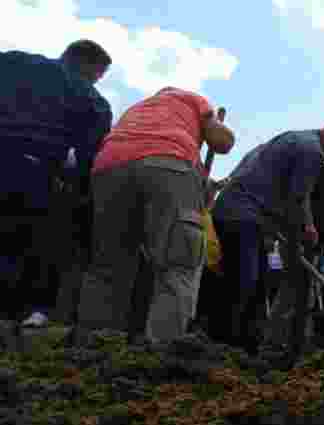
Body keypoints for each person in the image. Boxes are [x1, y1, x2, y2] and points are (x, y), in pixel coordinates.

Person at [77, 87, 235, 343]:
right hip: (167, 162)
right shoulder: (193, 100)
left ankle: (93, 349)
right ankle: (162, 355)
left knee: (108, 268)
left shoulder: (137, 110)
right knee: (178, 264)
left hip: (108, 167)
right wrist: (217, 127)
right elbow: (222, 142)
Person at [212, 116, 324, 351]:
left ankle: (246, 347)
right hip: (242, 214)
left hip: (241, 212)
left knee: (257, 283)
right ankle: (223, 345)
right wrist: (297, 239)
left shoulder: (295, 137)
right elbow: (296, 201)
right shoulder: (311, 150)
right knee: (245, 282)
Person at [0, 40, 113, 329]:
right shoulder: (92, 99)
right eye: (98, 76)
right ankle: (22, 319)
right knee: (31, 241)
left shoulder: (14, 61)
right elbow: (90, 156)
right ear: (92, 69)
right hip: (34, 170)